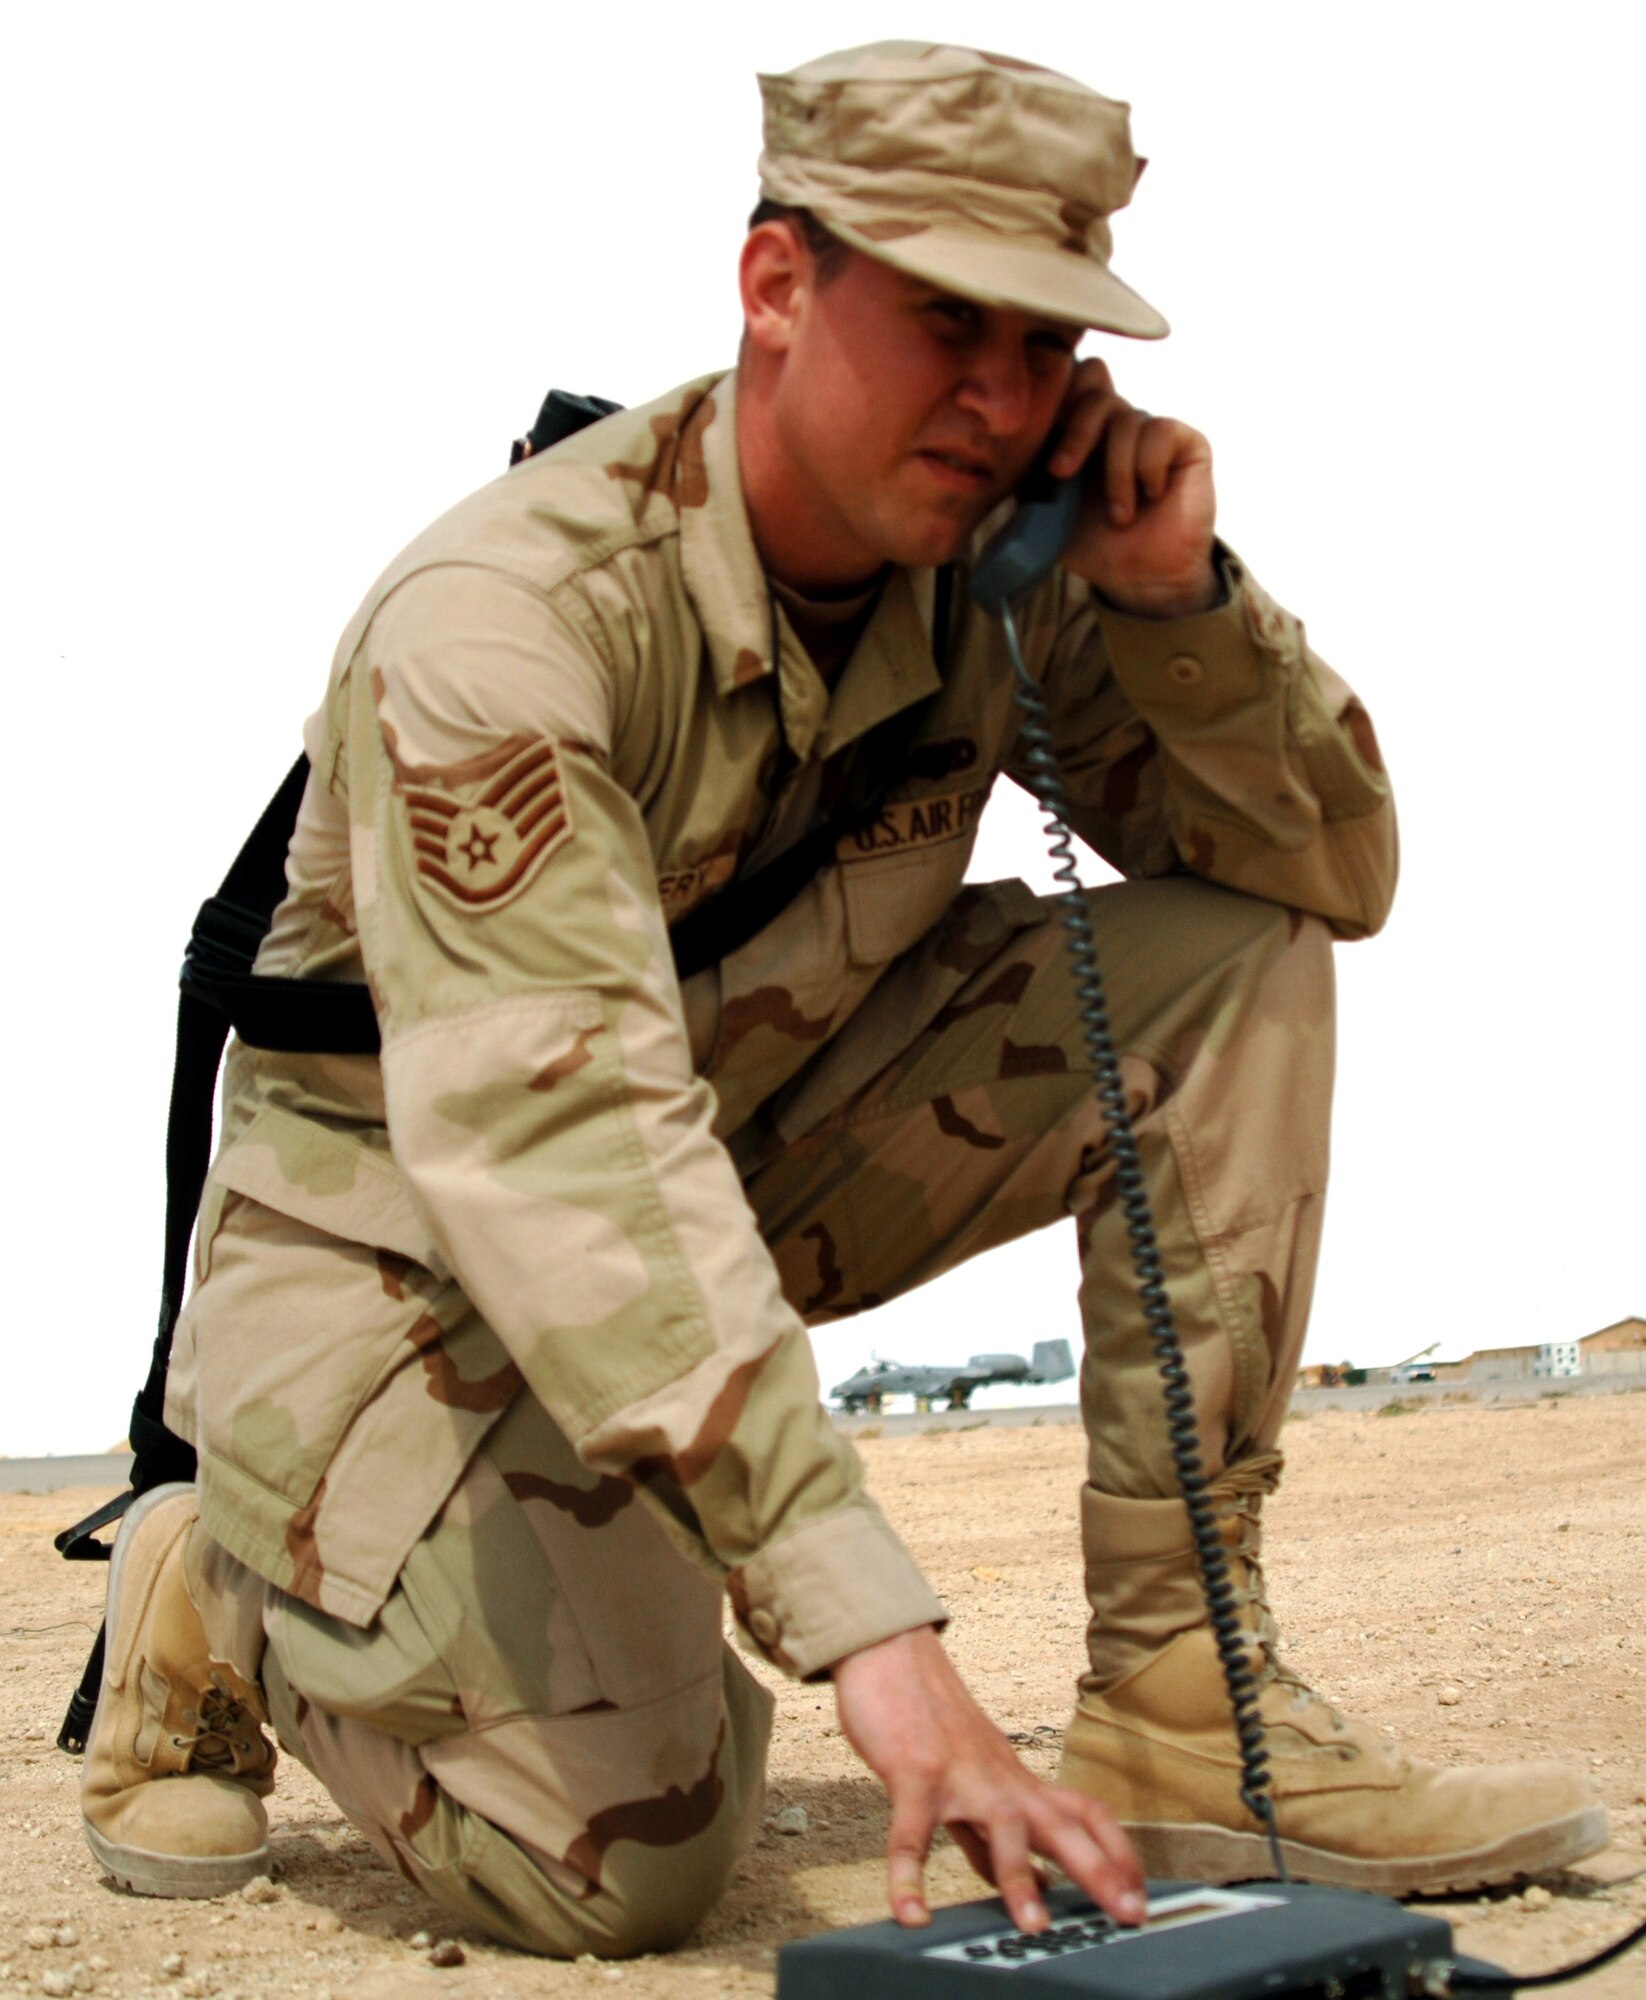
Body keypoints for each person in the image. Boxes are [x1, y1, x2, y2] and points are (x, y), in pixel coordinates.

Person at [80, 40, 1605, 1955]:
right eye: (946, 320)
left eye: (1046, 343)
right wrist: (879, 1645)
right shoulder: (507, 621)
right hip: (406, 1252)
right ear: (776, 286)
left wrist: (1171, 601)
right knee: (630, 1864)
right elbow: (564, 1147)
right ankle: (214, 1571)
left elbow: (1328, 879)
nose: (1000, 398)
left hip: (722, 1157)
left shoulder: (1001, 565)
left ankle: (1181, 1710)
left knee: (1227, 970)